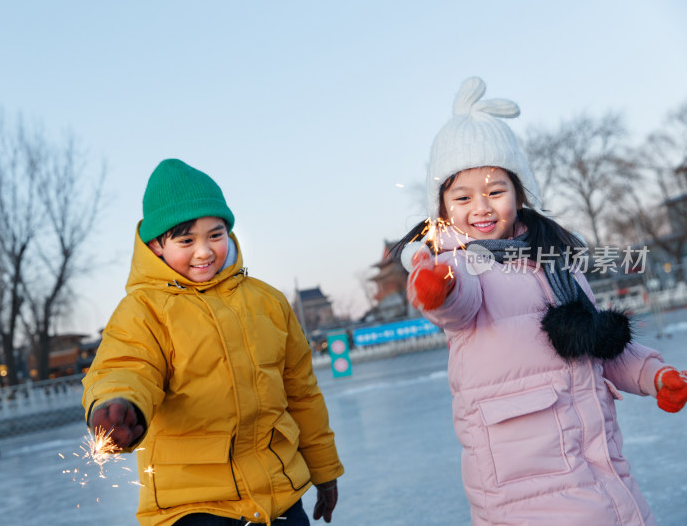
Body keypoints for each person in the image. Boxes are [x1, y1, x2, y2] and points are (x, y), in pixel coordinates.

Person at [396, 77, 687, 526]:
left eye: (495, 192)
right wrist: (439, 286)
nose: (482, 207)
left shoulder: (553, 260)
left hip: (599, 469)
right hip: (522, 481)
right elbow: (458, 306)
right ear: (443, 208)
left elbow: (595, 342)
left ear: (518, 191)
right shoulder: (454, 263)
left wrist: (653, 373)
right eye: (462, 197)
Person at [82, 158, 344, 526]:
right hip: (192, 508)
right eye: (186, 240)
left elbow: (301, 393)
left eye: (215, 235)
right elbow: (127, 365)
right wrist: (119, 403)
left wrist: (324, 468)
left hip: (277, 497)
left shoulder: (268, 302)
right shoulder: (143, 310)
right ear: (157, 245)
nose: (203, 251)